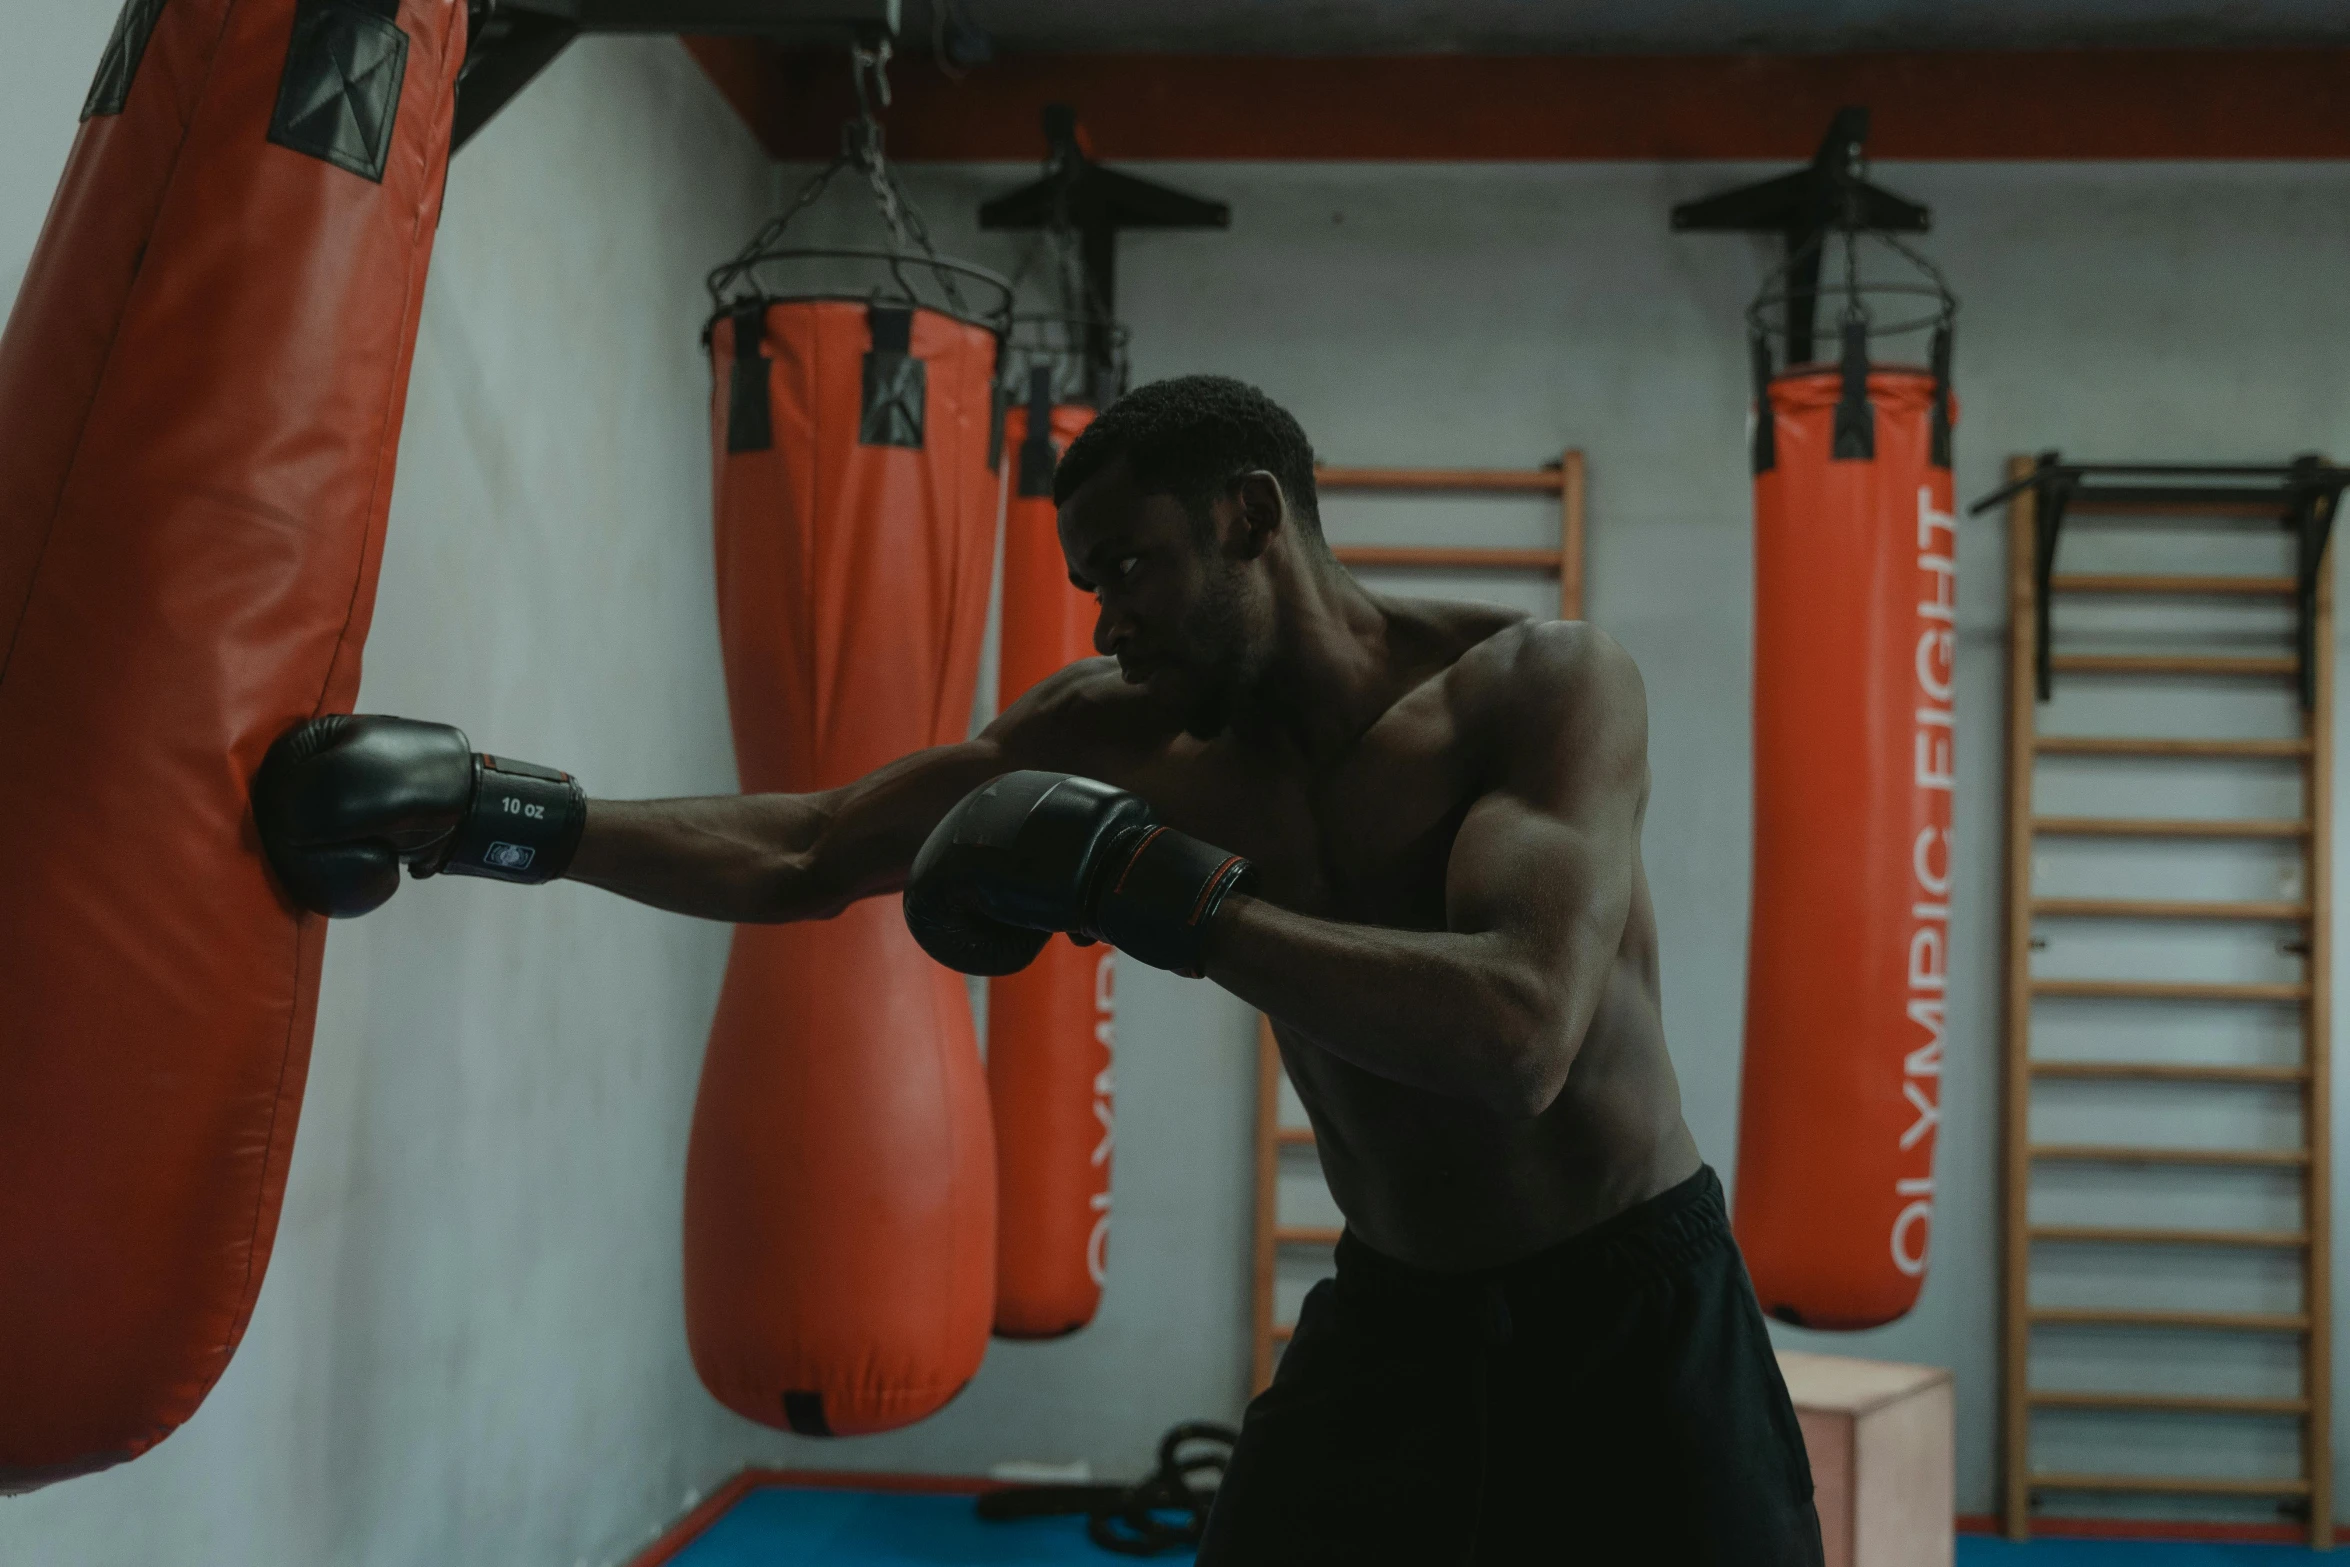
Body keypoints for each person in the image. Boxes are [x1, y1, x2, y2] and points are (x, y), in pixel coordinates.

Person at [254, 375, 1822, 1565]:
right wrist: (495, 813)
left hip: (1629, 1311)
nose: (1103, 614)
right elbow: (809, 846)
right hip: (1399, 1309)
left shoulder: (1535, 690)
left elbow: (1517, 1030)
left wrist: (1176, 903)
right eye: (1088, 578)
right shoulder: (1116, 737)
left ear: (1253, 517)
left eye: (1131, 566)